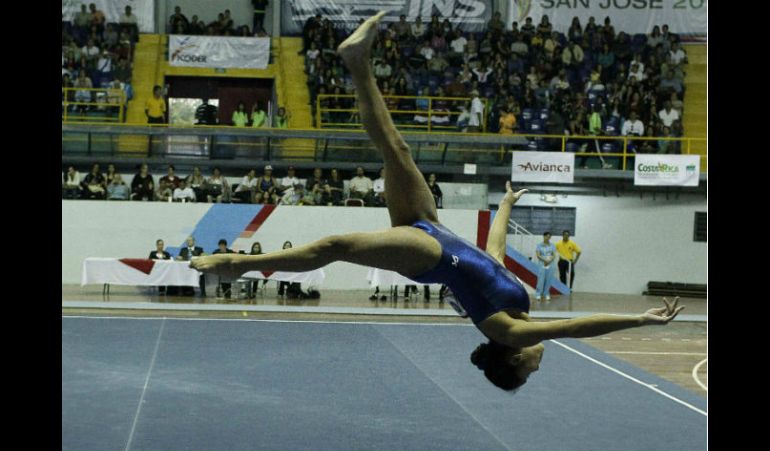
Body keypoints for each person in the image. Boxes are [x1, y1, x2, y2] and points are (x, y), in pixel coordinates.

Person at [191, 13, 685, 392]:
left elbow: (579, 325)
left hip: (432, 257)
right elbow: (491, 256)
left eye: (528, 375)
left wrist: (636, 320)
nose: (538, 366)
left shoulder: (509, 333)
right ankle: (357, 61)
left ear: (513, 360)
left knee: (339, 243)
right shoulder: (518, 306)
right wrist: (507, 204)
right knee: (396, 147)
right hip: (437, 231)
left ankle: (238, 264)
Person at [534, 232, 557, 301]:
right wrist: (544, 260)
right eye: (546, 236)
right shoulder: (539, 245)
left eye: (549, 237)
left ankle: (546, 293)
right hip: (542, 263)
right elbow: (538, 255)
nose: (548, 238)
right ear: (543, 236)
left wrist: (549, 260)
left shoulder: (552, 245)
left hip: (550, 263)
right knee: (541, 279)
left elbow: (554, 255)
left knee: (549, 279)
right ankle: (538, 294)